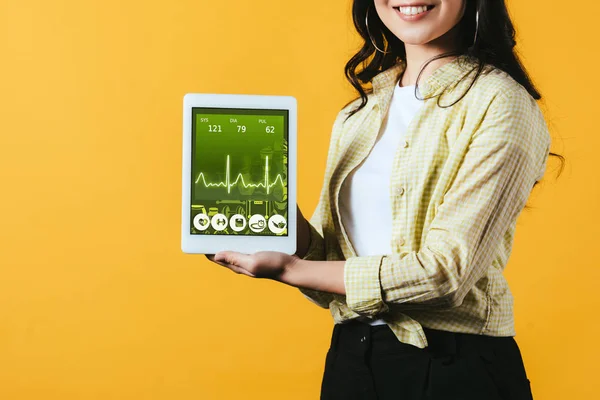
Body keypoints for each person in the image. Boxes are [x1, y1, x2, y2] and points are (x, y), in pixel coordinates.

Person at [207, 0, 565, 398]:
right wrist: (280, 220)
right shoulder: (358, 114)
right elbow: (331, 271)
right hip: (352, 362)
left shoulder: (500, 103)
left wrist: (289, 270)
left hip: (456, 370)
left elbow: (444, 272)